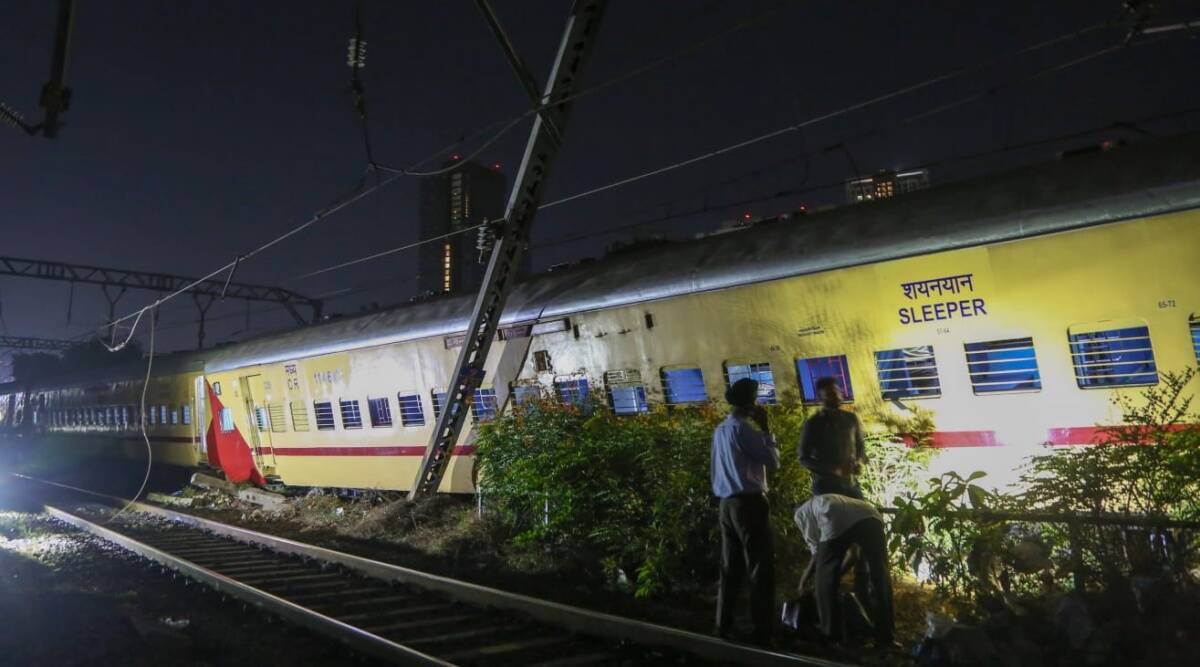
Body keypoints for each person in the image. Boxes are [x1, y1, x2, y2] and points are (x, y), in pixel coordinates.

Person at [711, 377, 780, 644]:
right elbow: (773, 462)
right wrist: (766, 428)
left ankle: (723, 625)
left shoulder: (720, 430)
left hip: (726, 505)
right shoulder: (745, 431)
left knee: (730, 568)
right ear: (751, 404)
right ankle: (762, 631)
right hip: (749, 505)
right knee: (760, 568)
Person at [794, 493, 895, 647]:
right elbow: (854, 555)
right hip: (871, 515)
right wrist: (836, 575)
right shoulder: (835, 502)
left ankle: (831, 635)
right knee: (880, 577)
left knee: (823, 579)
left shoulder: (800, 513)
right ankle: (885, 637)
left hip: (833, 513)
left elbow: (817, 556)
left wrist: (802, 583)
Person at [798, 376, 867, 498]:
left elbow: (860, 446)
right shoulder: (813, 423)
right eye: (830, 394)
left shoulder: (851, 418)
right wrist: (834, 470)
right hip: (826, 487)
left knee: (861, 514)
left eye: (837, 392)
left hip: (850, 483)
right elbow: (804, 458)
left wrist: (859, 461)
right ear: (821, 398)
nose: (836, 396)